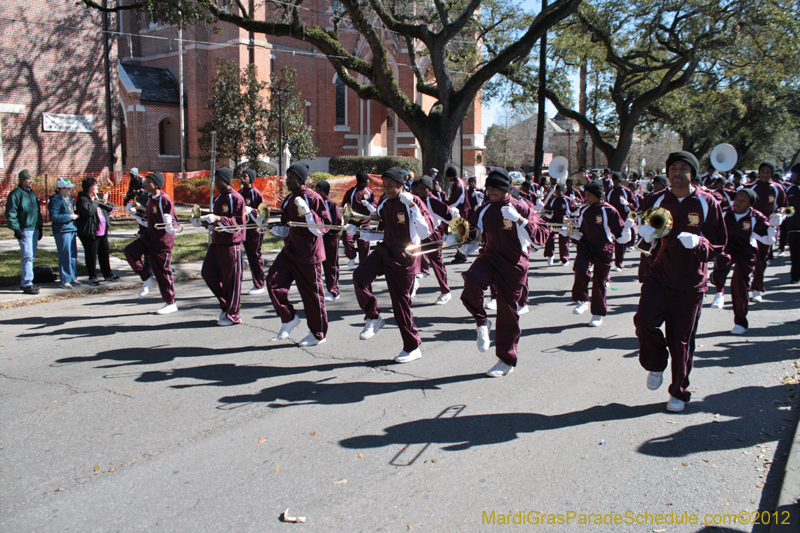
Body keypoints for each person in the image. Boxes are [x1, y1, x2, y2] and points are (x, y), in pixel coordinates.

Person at [635, 151, 727, 412]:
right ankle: (655, 363)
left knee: (681, 340)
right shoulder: (655, 199)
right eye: (673, 168)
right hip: (658, 276)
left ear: (692, 173)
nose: (677, 173)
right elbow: (645, 242)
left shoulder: (708, 202)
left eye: (683, 168)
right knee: (644, 322)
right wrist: (644, 234)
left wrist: (700, 242)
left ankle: (679, 391)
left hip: (690, 282)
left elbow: (718, 240)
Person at [460, 168, 549, 376]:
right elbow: (472, 233)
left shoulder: (521, 208)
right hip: (490, 257)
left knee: (507, 312)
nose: (490, 192)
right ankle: (482, 321)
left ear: (505, 189)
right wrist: (457, 239)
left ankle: (505, 360)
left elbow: (542, 235)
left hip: (514, 262)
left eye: (494, 188)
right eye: (488, 188)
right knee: (471, 280)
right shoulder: (484, 209)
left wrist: (519, 219)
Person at [351, 167, 434, 363]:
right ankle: (373, 317)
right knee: (359, 276)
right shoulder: (384, 203)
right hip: (384, 251)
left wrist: (413, 206)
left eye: (390, 186)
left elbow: (425, 233)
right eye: (384, 186)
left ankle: (412, 347)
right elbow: (381, 230)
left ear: (400, 185)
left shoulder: (413, 202)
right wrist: (358, 231)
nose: (386, 189)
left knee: (400, 306)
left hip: (404, 258)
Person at [266, 163, 332, 346]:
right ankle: (289, 317)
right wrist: (270, 228)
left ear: (300, 179)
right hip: (290, 251)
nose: (287, 181)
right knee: (272, 281)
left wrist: (308, 213)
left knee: (312, 296)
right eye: (287, 177)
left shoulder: (314, 198)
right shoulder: (288, 199)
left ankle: (318, 333)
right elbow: (287, 228)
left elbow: (324, 228)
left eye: (291, 177)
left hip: (309, 254)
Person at [708, 189, 778, 335]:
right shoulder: (725, 212)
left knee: (740, 286)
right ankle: (716, 281)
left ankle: (740, 322)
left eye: (742, 201)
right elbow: (711, 228)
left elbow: (769, 239)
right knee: (724, 257)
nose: (737, 203)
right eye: (737, 199)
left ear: (749, 204)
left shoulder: (755, 217)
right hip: (729, 246)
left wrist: (773, 226)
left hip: (746, 250)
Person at [570, 180, 631, 326]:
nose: (586, 198)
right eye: (585, 195)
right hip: (585, 246)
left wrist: (628, 229)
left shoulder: (609, 210)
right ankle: (582, 300)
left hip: (603, 249)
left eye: (589, 195)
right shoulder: (584, 209)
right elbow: (580, 229)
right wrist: (571, 233)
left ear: (598, 195)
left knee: (599, 281)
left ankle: (597, 314)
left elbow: (620, 235)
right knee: (580, 269)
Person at [123, 172, 179, 315]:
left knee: (162, 272)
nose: (145, 184)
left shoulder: (164, 200)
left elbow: (174, 224)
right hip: (149, 237)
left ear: (156, 184)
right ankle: (147, 278)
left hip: (161, 242)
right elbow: (148, 221)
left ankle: (171, 303)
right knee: (130, 251)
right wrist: (135, 214)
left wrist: (169, 224)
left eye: (148, 181)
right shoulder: (149, 199)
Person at [200, 168, 246, 326]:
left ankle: (233, 314)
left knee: (231, 281)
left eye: (218, 179)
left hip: (231, 245)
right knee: (207, 273)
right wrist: (206, 223)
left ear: (226, 180)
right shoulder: (218, 198)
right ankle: (226, 305)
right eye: (215, 179)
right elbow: (216, 223)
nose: (215, 182)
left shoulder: (236, 198)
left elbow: (238, 224)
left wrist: (219, 218)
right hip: (216, 243)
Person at [411, 175, 459, 304]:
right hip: (418, 234)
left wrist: (454, 214)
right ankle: (412, 288)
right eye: (419, 188)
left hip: (432, 234)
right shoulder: (416, 200)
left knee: (437, 263)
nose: (421, 191)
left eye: (424, 189)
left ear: (430, 188)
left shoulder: (433, 201)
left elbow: (448, 215)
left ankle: (445, 291)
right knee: (410, 261)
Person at [748, 161, 787, 302]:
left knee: (761, 259)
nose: (765, 174)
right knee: (747, 258)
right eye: (762, 171)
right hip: (750, 227)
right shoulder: (750, 187)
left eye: (768, 172)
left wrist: (780, 216)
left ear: (772, 174)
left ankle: (757, 288)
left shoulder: (777, 189)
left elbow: (786, 208)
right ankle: (745, 284)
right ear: (759, 172)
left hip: (767, 230)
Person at [5, 170, 44, 294]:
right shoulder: (16, 194)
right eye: (28, 179)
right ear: (22, 180)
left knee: (31, 256)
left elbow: (37, 212)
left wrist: (40, 227)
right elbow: (11, 212)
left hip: (34, 228)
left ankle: (26, 281)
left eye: (31, 178)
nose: (30, 181)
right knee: (27, 256)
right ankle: (27, 283)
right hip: (25, 229)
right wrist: (16, 228)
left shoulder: (32, 194)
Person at [76, 177, 118, 286]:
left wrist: (104, 201)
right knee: (91, 255)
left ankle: (108, 274)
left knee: (104, 254)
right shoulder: (82, 199)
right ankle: (92, 276)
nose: (97, 188)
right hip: (90, 232)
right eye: (95, 186)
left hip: (102, 231)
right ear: (89, 187)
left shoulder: (98, 197)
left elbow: (110, 209)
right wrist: (95, 201)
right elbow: (88, 211)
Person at [48, 178, 81, 289]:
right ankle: (65, 279)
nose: (70, 190)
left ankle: (73, 277)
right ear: (60, 188)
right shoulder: (55, 200)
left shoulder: (69, 198)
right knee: (65, 255)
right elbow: (54, 216)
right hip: (62, 230)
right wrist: (69, 217)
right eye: (68, 188)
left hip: (71, 228)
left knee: (72, 255)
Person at [239, 168, 267, 295]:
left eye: (245, 176)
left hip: (255, 230)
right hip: (243, 229)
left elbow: (263, 213)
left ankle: (259, 284)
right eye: (241, 176)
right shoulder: (239, 193)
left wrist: (252, 211)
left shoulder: (256, 194)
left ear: (251, 178)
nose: (242, 178)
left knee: (255, 255)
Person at [341, 171, 377, 268]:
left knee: (364, 245)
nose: (369, 181)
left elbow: (374, 206)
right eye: (367, 180)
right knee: (346, 240)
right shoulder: (351, 192)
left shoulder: (369, 192)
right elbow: (345, 207)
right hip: (352, 223)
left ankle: (364, 266)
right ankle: (352, 256)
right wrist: (346, 220)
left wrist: (369, 205)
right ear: (363, 181)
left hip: (364, 223)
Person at [315, 180, 343, 301]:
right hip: (318, 237)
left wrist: (332, 233)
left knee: (331, 265)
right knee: (317, 264)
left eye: (320, 191)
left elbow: (337, 221)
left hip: (330, 238)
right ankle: (319, 289)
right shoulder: (314, 203)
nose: (318, 193)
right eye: (317, 191)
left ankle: (334, 290)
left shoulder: (331, 204)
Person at [606, 172, 638, 271]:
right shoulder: (609, 192)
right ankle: (607, 262)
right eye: (614, 181)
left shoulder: (627, 192)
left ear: (621, 181)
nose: (616, 183)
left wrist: (627, 204)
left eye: (618, 181)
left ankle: (619, 263)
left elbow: (635, 207)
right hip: (610, 219)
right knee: (609, 241)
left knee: (621, 242)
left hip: (622, 220)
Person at [542, 184, 578, 266]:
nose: (556, 193)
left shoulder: (567, 200)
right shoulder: (553, 200)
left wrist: (570, 221)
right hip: (555, 221)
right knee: (550, 237)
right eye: (556, 191)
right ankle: (550, 255)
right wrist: (546, 214)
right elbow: (548, 210)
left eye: (558, 191)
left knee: (564, 241)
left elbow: (574, 211)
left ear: (562, 191)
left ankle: (565, 259)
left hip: (565, 222)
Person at [445, 166, 470, 263]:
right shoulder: (460, 181)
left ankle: (462, 254)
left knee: (459, 232)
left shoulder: (456, 184)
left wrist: (447, 205)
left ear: (450, 176)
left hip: (460, 210)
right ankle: (459, 252)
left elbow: (456, 199)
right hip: (463, 209)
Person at [783, 164, 800, 284]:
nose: (792, 176)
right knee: (794, 254)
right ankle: (795, 276)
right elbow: (787, 207)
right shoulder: (790, 189)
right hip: (793, 228)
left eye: (794, 174)